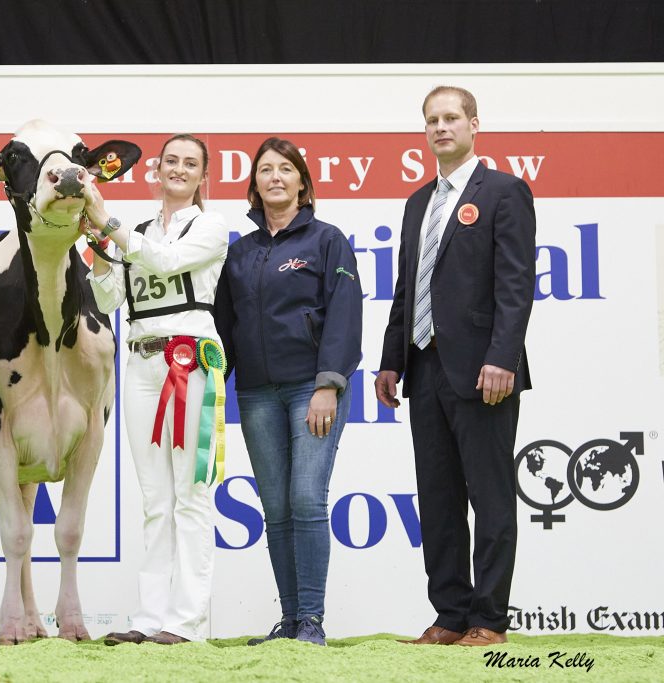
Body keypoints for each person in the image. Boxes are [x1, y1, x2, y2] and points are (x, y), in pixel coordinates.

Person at [375, 86, 536, 647]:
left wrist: (503, 357)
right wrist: (392, 359)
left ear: (473, 125)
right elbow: (406, 289)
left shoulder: (505, 192)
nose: (441, 127)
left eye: (451, 118)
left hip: (483, 370)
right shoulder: (418, 202)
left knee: (490, 496)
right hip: (425, 367)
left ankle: (489, 620)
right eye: (432, 120)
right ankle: (449, 615)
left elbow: (516, 285)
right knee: (438, 497)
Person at [214, 137, 363, 647]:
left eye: (285, 169)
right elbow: (223, 328)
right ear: (253, 184)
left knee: (305, 498)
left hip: (311, 389)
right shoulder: (239, 252)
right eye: (265, 170)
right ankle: (290, 620)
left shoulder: (327, 240)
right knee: (275, 508)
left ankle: (312, 623)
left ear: (303, 182)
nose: (274, 176)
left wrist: (328, 384)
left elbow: (345, 315)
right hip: (256, 394)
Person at [83, 134, 229, 645]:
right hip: (142, 361)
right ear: (157, 170)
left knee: (191, 495)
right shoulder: (139, 230)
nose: (180, 169)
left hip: (190, 361)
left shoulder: (211, 226)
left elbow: (165, 262)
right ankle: (149, 617)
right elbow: (111, 298)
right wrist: (100, 254)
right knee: (154, 498)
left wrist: (108, 225)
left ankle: (186, 621)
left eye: (191, 163)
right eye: (172, 161)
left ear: (203, 175)